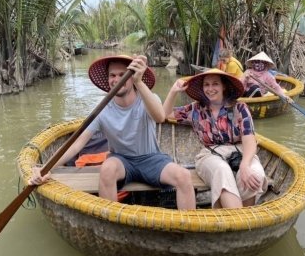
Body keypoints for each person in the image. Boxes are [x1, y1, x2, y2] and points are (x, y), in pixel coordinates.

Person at [30, 54, 196, 210]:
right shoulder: (103, 110)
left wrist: (139, 82)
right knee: (107, 169)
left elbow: (160, 117)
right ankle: (111, 221)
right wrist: (45, 168)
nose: (116, 79)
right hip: (122, 161)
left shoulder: (147, 98)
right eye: (112, 75)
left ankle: (189, 234)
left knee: (184, 177)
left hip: (151, 158)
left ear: (131, 78)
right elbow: (76, 145)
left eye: (122, 74)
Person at [163, 68, 267, 208]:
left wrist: (244, 165)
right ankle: (239, 222)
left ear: (223, 86)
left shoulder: (240, 108)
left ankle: (239, 217)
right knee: (221, 170)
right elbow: (165, 114)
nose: (210, 88)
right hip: (210, 155)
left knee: (255, 175)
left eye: (215, 84)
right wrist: (173, 91)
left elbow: (249, 142)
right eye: (206, 84)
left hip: (240, 152)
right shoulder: (195, 109)